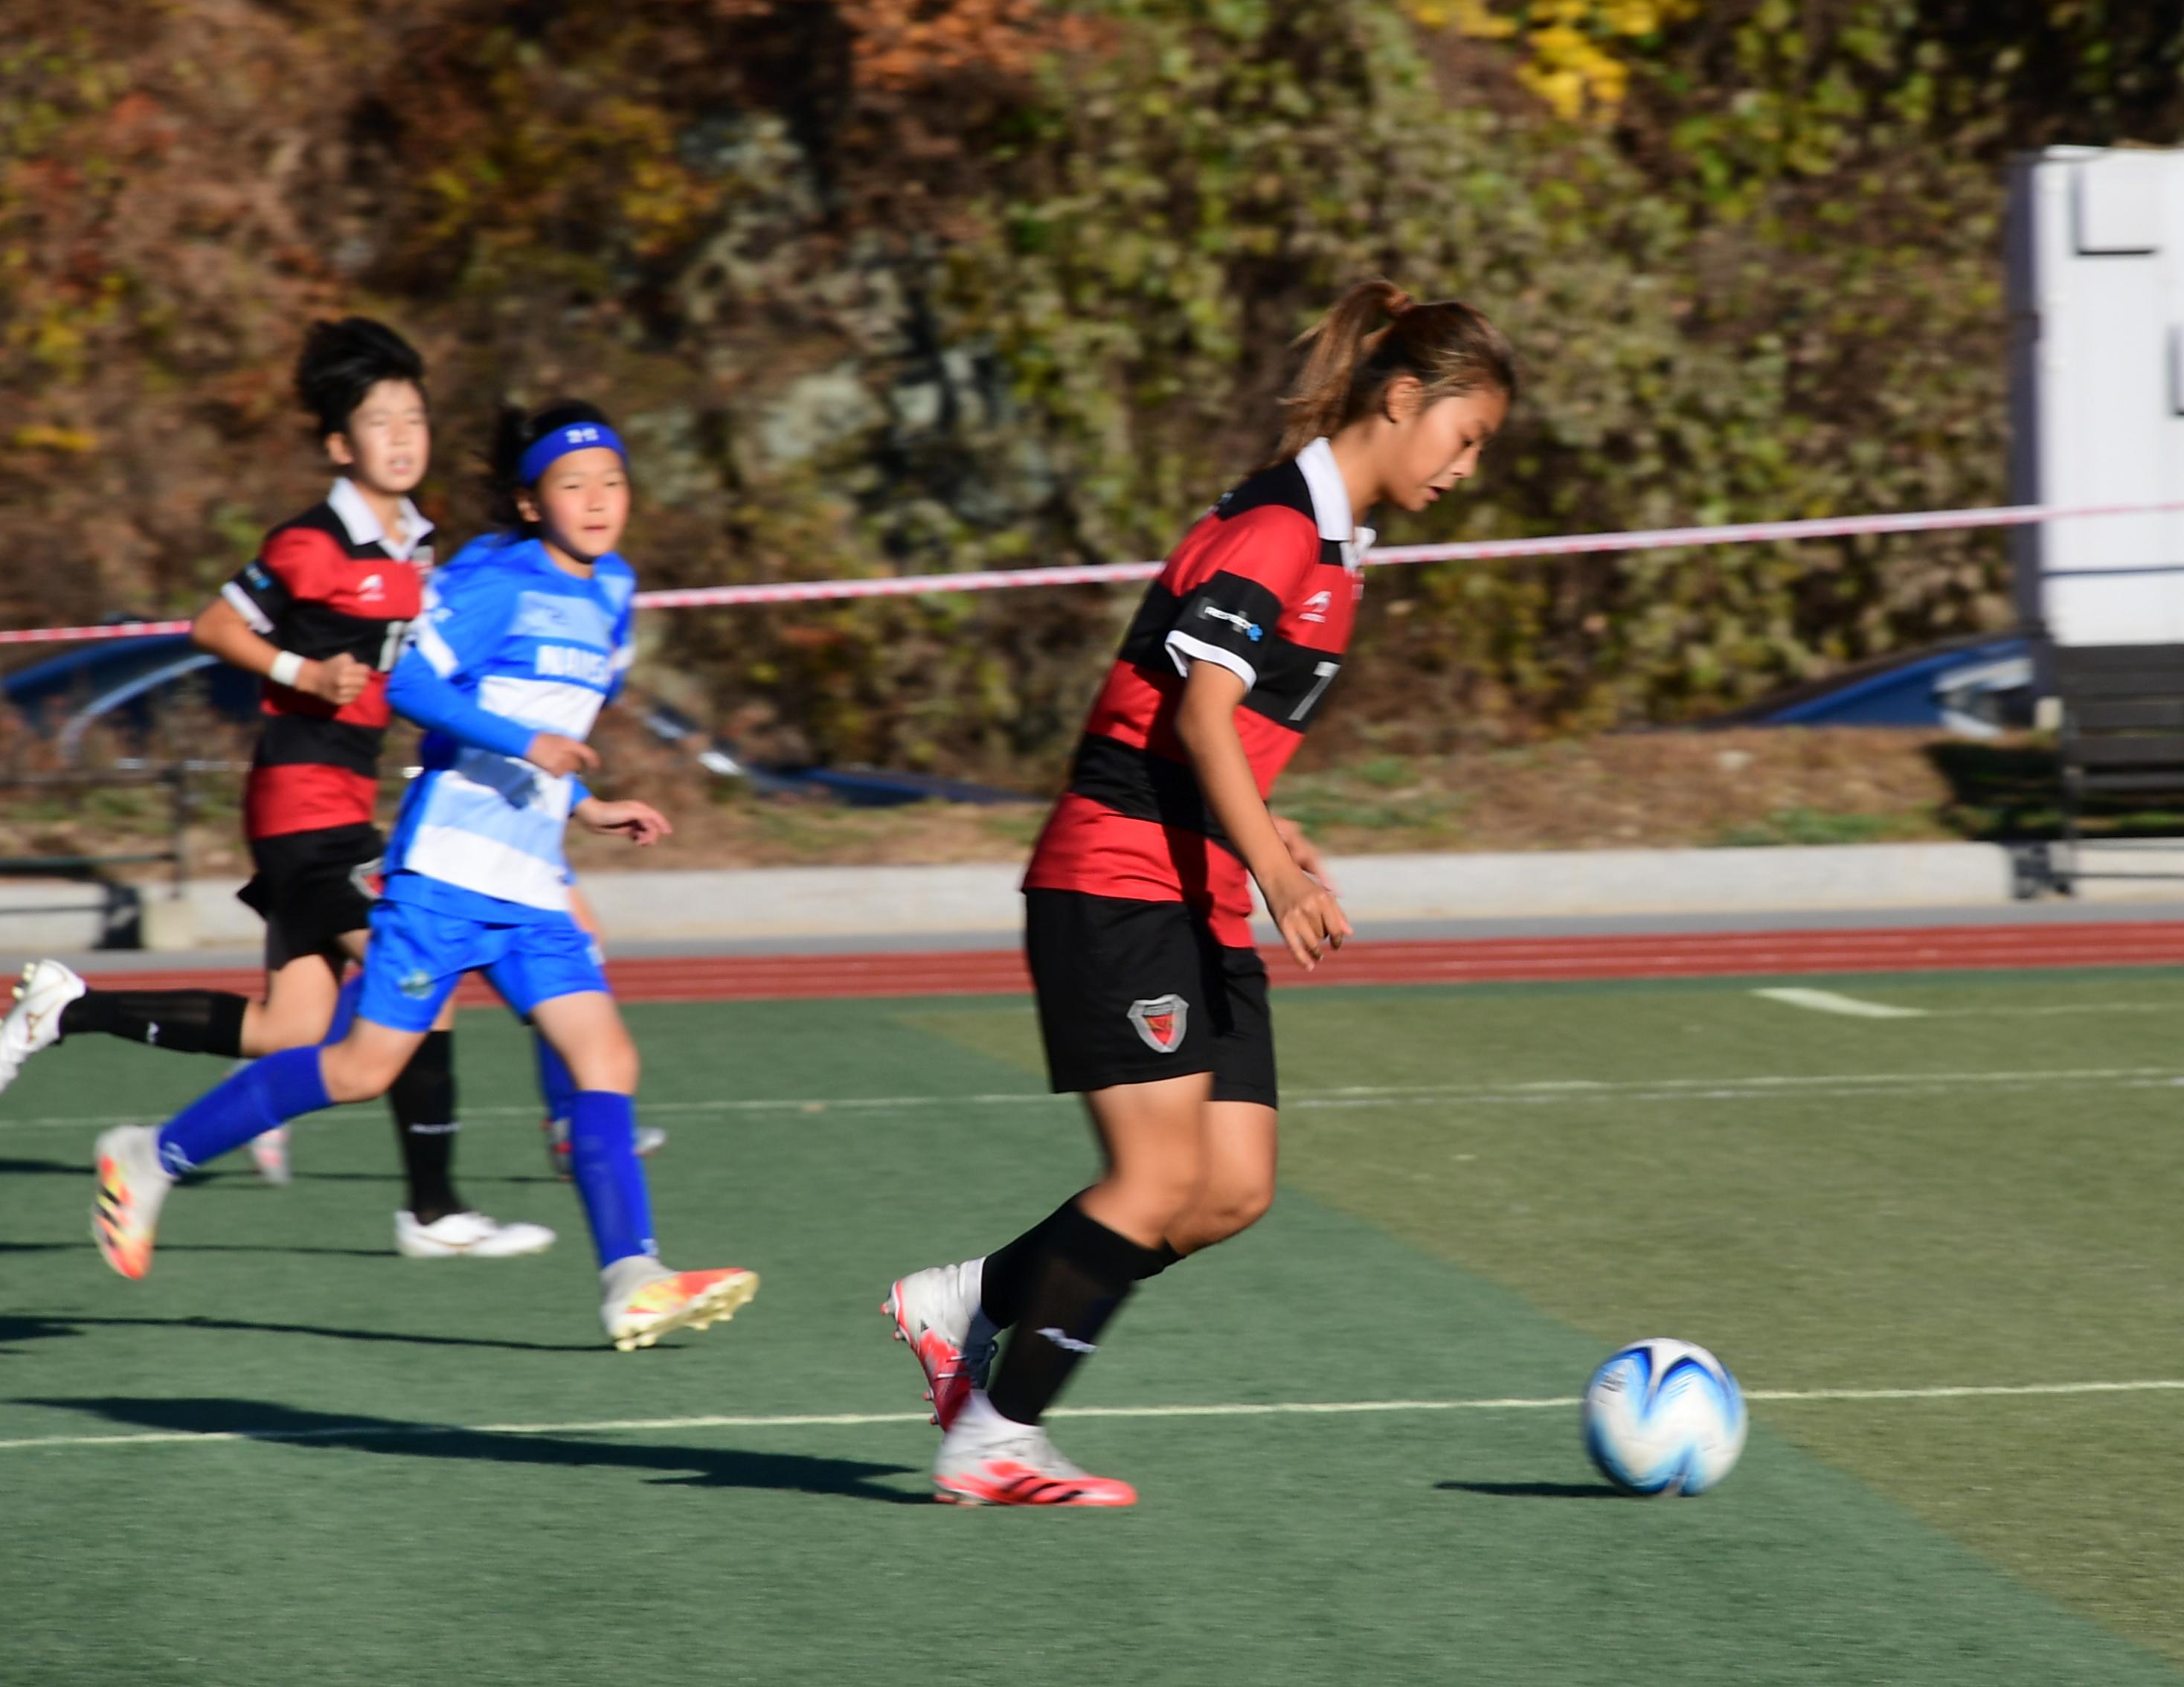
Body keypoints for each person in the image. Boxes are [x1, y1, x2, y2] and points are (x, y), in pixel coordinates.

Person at [882, 280, 1515, 1504]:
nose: (1467, 468)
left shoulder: (1336, 547)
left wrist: (1264, 830)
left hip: (1196, 885)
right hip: (1117, 881)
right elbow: (1196, 711)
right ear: (1400, 402)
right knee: (1155, 1179)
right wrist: (1272, 865)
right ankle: (993, 1433)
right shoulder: (1277, 529)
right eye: (1464, 436)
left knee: (1230, 1185)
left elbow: (1200, 733)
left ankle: (964, 1301)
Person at [86, 398, 758, 1352]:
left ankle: (631, 1277)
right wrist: (533, 742)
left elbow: (544, 739)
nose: (599, 499)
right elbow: (415, 694)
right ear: (530, 503)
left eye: (612, 479)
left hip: (531, 877)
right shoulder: (497, 581)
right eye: (574, 484)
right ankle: (150, 1154)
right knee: (360, 1068)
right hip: (446, 871)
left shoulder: (614, 590)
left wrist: (586, 804)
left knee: (607, 1059)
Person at [0, 318, 553, 1257]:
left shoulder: (419, 546)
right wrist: (304, 671)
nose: (403, 435)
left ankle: (69, 1008)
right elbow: (213, 624)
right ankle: (433, 1211)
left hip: (344, 802)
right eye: (381, 421)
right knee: (420, 973)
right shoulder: (312, 541)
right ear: (342, 445)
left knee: (286, 1026)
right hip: (302, 805)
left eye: (413, 415)